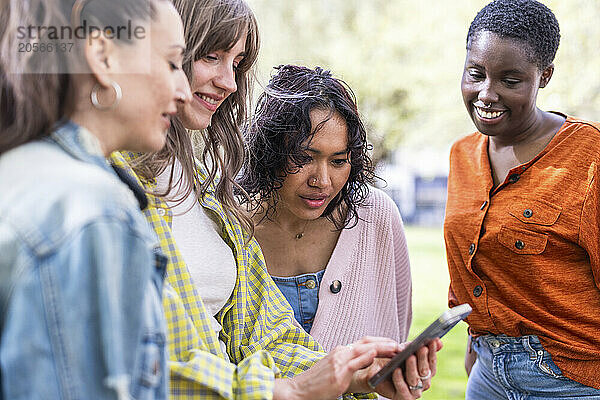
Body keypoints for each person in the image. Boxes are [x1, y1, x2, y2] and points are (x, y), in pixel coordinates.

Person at [110, 0, 440, 398]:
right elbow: (147, 362)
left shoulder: (197, 185)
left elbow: (263, 331)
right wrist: (291, 390)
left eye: (237, 63)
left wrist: (356, 373)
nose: (229, 82)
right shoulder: (109, 182)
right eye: (211, 56)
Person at [0, 0, 191, 398]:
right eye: (173, 63)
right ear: (102, 56)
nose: (184, 90)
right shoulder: (93, 211)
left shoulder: (20, 170)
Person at [445, 0, 600, 398]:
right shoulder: (462, 154)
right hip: (487, 374)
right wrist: (474, 340)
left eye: (510, 80)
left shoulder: (589, 157)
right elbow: (470, 260)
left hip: (573, 381)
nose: (486, 93)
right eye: (475, 74)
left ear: (544, 75)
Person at [239, 65, 412, 354]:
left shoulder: (376, 215)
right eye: (304, 158)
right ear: (270, 152)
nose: (322, 181)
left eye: (338, 161)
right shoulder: (234, 229)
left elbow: (397, 323)